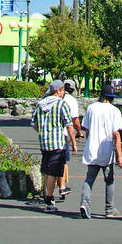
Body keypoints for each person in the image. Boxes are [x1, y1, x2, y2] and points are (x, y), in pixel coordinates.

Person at [78, 86, 122, 219]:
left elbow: (86, 129)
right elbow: (116, 134)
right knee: (109, 180)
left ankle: (85, 203)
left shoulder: (91, 108)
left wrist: (89, 142)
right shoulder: (115, 111)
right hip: (107, 149)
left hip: (92, 148)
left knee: (89, 179)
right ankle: (110, 209)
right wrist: (120, 156)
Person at [31, 79, 77, 212]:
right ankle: (49, 200)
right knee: (53, 172)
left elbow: (33, 123)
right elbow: (69, 125)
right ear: (58, 91)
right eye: (63, 90)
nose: (64, 93)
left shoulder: (40, 104)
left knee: (47, 171)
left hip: (44, 142)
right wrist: (73, 143)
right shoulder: (61, 105)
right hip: (57, 142)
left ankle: (47, 195)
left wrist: (43, 131)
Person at [57, 78, 83, 199]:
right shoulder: (71, 101)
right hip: (63, 134)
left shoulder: (50, 98)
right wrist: (79, 133)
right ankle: (62, 185)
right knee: (63, 161)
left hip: (48, 135)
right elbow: (74, 121)